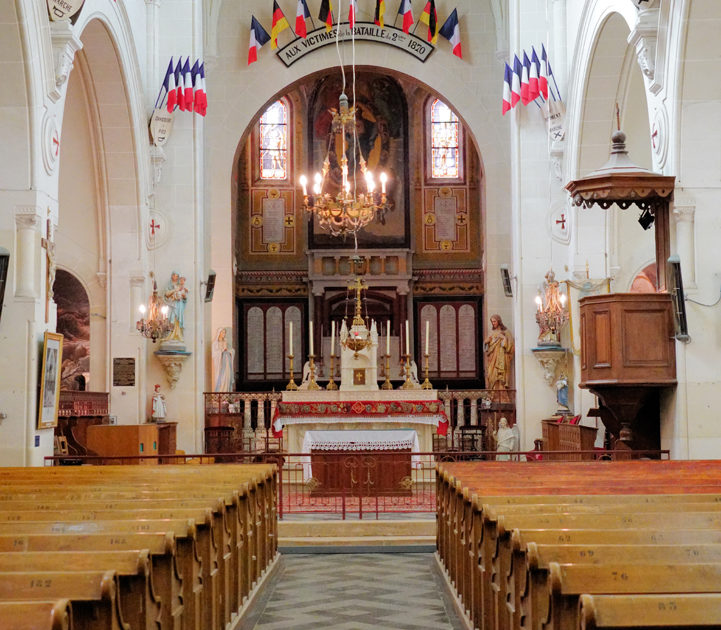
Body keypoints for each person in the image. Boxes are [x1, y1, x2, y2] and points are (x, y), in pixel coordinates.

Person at [483, 314, 514, 390]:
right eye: (492, 322)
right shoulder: (492, 333)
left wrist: (503, 338)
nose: (493, 323)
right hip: (492, 357)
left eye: (494, 321)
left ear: (499, 321)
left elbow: (509, 346)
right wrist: (486, 342)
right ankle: (493, 392)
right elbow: (487, 348)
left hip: (501, 357)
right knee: (491, 374)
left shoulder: (506, 332)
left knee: (500, 375)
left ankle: (502, 393)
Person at [212, 327, 235, 392]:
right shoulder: (215, 343)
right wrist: (222, 350)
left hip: (227, 361)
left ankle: (227, 392)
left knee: (228, 376)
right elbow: (214, 354)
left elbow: (232, 350)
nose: (224, 334)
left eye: (225, 333)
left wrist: (229, 351)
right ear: (219, 333)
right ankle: (221, 391)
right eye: (222, 332)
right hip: (221, 363)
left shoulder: (225, 342)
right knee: (222, 377)